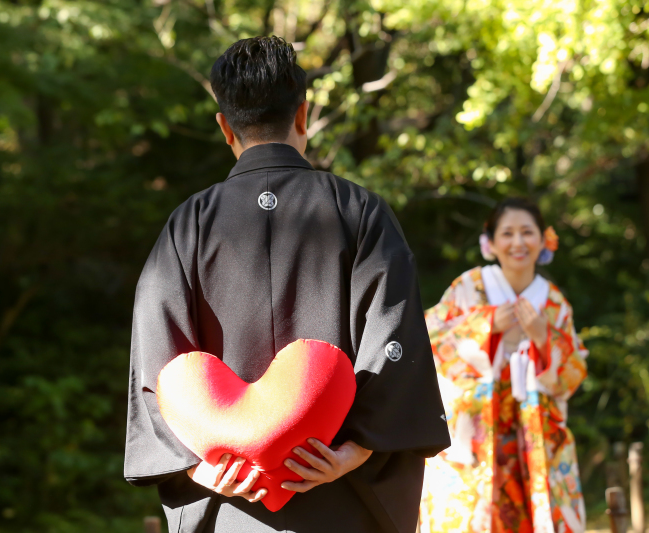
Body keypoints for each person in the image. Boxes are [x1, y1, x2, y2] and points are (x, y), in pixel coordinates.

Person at [124, 36, 450, 533]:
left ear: (224, 127)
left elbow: (159, 360)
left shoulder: (188, 224)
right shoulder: (359, 212)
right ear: (302, 115)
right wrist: (356, 448)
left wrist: (199, 466)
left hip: (230, 497)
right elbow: (394, 336)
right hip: (341, 494)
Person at [419, 198, 588, 533]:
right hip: (474, 431)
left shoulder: (554, 302)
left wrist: (543, 338)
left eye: (527, 232)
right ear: (490, 242)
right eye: (507, 233)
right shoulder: (468, 288)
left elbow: (573, 371)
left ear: (544, 240)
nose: (518, 242)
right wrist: (485, 324)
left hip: (534, 432)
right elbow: (428, 337)